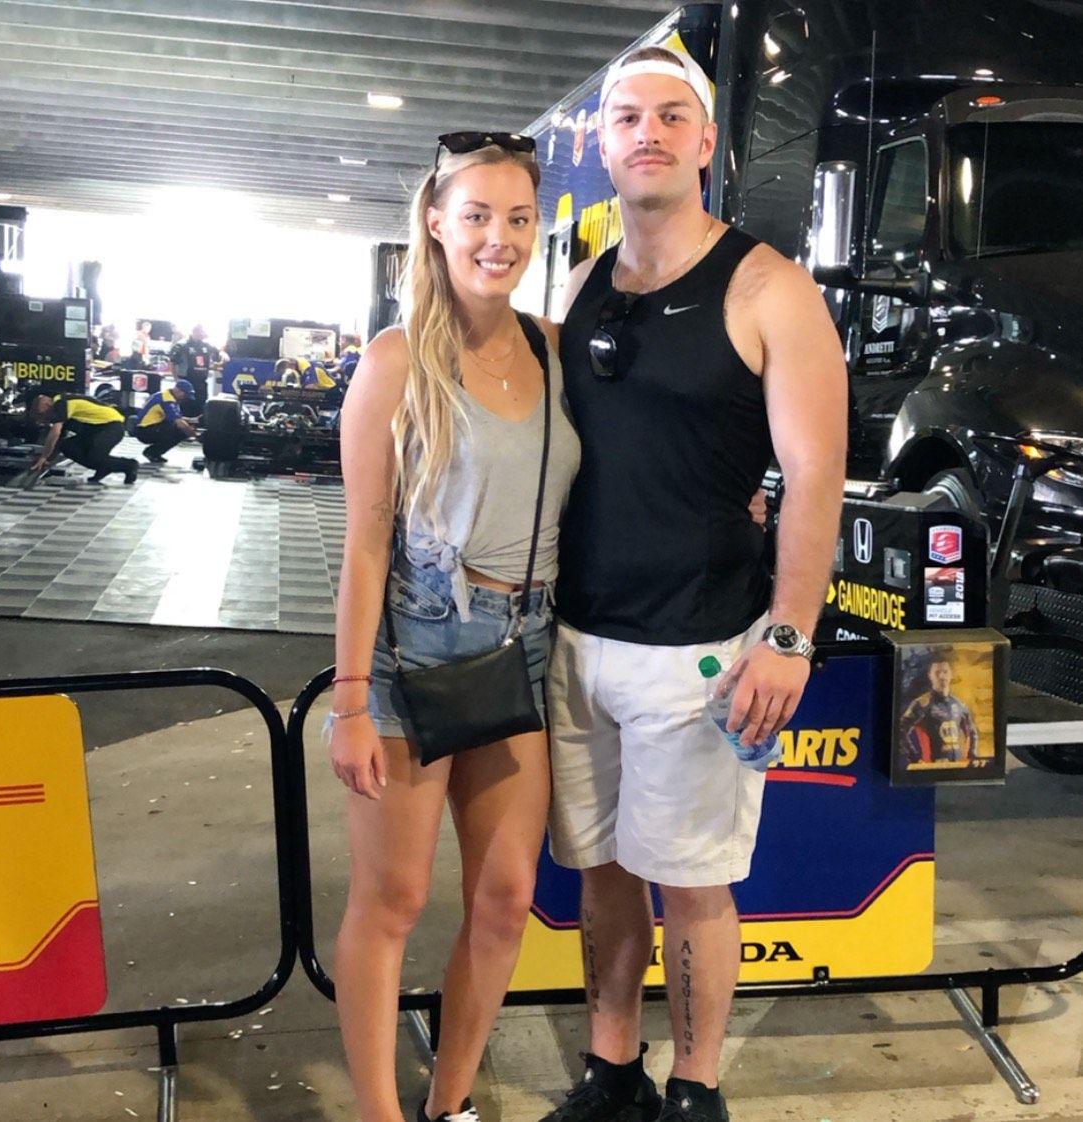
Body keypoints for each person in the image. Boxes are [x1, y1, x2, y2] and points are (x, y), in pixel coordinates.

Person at [542, 46, 847, 1122]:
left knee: (692, 881)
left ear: (707, 142)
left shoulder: (769, 288)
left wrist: (791, 633)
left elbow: (816, 472)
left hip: (701, 644)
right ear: (601, 142)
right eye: (628, 117)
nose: (649, 134)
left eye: (673, 116)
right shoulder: (581, 284)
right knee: (603, 871)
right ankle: (611, 1070)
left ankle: (696, 1087)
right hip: (579, 635)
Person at [327, 131, 580, 1122]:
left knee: (506, 897)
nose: (497, 238)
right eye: (476, 216)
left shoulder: (554, 349)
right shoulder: (397, 362)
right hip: (415, 644)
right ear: (435, 224)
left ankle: (450, 1102)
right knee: (392, 902)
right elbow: (364, 544)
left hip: (526, 640)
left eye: (518, 218)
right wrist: (351, 701)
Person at [22, 384, 138, 484]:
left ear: (47, 405)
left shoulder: (61, 403)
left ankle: (129, 465)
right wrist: (49, 459)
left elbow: (55, 433)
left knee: (94, 456)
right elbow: (60, 437)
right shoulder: (62, 405)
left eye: (42, 414)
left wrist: (44, 456)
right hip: (95, 428)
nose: (45, 418)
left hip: (111, 426)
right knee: (68, 446)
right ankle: (103, 467)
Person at [899, 654, 978, 764]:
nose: (942, 676)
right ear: (930, 675)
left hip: (958, 766)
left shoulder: (960, 705)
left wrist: (972, 756)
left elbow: (973, 732)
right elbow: (900, 730)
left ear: (951, 674)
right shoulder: (921, 704)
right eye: (937, 672)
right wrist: (915, 758)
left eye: (945, 672)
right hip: (931, 767)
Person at [131, 378, 198, 463]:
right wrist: (195, 436)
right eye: (185, 395)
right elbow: (179, 422)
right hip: (144, 430)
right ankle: (152, 453)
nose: (185, 398)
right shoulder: (167, 401)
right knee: (180, 431)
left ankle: (153, 453)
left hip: (147, 428)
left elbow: (177, 417)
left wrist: (194, 420)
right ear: (178, 390)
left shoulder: (164, 395)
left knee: (177, 426)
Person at [168, 324, 222, 411]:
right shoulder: (182, 345)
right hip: (186, 381)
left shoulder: (207, 345)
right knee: (185, 407)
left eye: (203, 332)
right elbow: (172, 362)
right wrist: (176, 379)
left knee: (201, 407)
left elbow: (219, 357)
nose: (202, 334)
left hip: (201, 382)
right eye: (200, 331)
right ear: (194, 332)